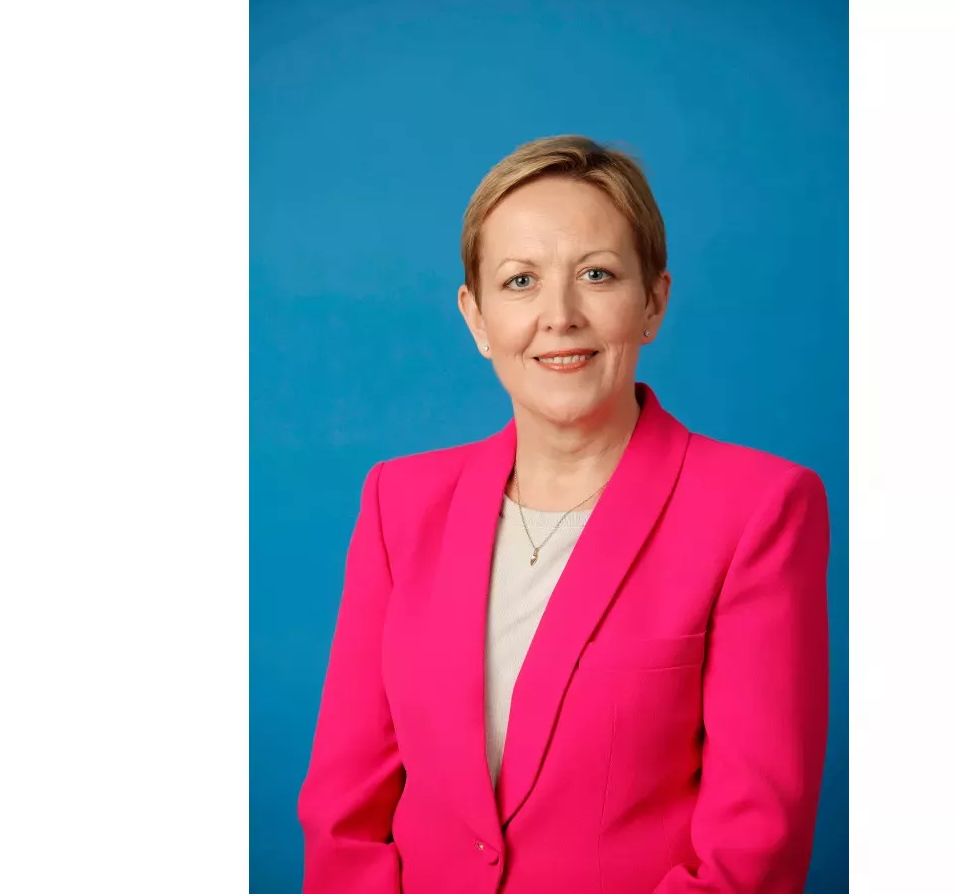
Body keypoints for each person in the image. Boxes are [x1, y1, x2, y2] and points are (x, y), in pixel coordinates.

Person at [297, 134, 831, 893]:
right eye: (520, 281)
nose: (560, 316)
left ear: (653, 302)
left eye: (597, 274)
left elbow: (753, 850)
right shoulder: (399, 502)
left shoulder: (759, 509)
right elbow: (344, 813)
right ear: (477, 317)